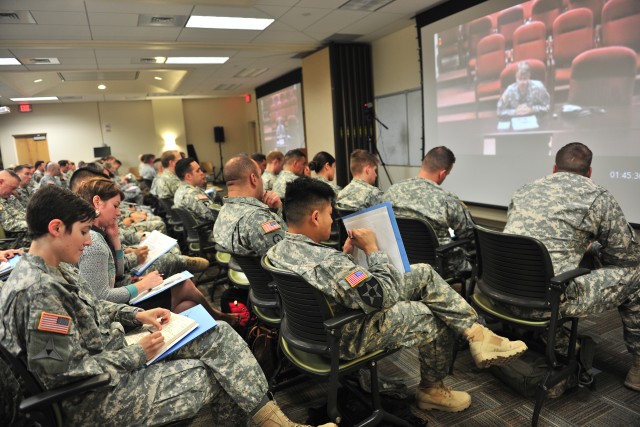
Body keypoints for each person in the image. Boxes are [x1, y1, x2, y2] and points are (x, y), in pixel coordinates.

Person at [0, 185, 335, 427]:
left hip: (111, 356)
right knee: (219, 375)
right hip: (92, 399)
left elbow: (94, 308)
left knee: (217, 335)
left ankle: (273, 421)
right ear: (56, 228)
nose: (89, 241)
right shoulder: (38, 293)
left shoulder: (52, 268)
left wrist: (137, 313)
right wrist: (138, 353)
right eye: (85, 231)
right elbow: (62, 375)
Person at [267, 177, 526, 412]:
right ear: (315, 217)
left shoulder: (278, 250)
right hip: (345, 335)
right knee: (434, 316)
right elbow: (381, 298)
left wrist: (346, 258)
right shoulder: (329, 263)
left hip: (309, 330)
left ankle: (478, 334)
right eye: (329, 214)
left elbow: (326, 282)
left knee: (423, 272)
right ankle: (431, 391)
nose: (330, 219)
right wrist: (372, 251)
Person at [500, 142, 640, 392]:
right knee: (636, 275)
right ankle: (639, 369)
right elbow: (627, 256)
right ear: (589, 172)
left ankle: (552, 340)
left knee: (581, 259)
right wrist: (594, 248)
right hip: (545, 303)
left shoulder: (525, 189)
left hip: (501, 294)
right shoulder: (597, 196)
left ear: (554, 168)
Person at [75, 177, 226, 322]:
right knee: (184, 285)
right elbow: (100, 297)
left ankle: (219, 319)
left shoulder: (100, 233)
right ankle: (221, 317)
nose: (119, 213)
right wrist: (142, 285)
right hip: (114, 312)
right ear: (97, 202)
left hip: (117, 302)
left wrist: (115, 239)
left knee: (187, 306)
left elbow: (118, 272)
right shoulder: (93, 242)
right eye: (115, 206)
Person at [384, 146, 474, 276]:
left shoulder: (392, 191)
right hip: (439, 266)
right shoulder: (447, 199)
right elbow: (469, 235)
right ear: (442, 173)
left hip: (401, 260)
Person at [213, 156, 285, 257]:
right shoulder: (257, 218)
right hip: (266, 272)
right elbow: (286, 256)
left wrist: (274, 210)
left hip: (240, 271)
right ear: (253, 178)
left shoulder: (223, 210)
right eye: (260, 175)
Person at [174, 157, 219, 224]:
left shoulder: (180, 190)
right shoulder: (193, 194)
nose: (202, 173)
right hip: (209, 230)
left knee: (213, 192)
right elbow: (216, 215)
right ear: (188, 176)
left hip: (196, 231)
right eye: (198, 171)